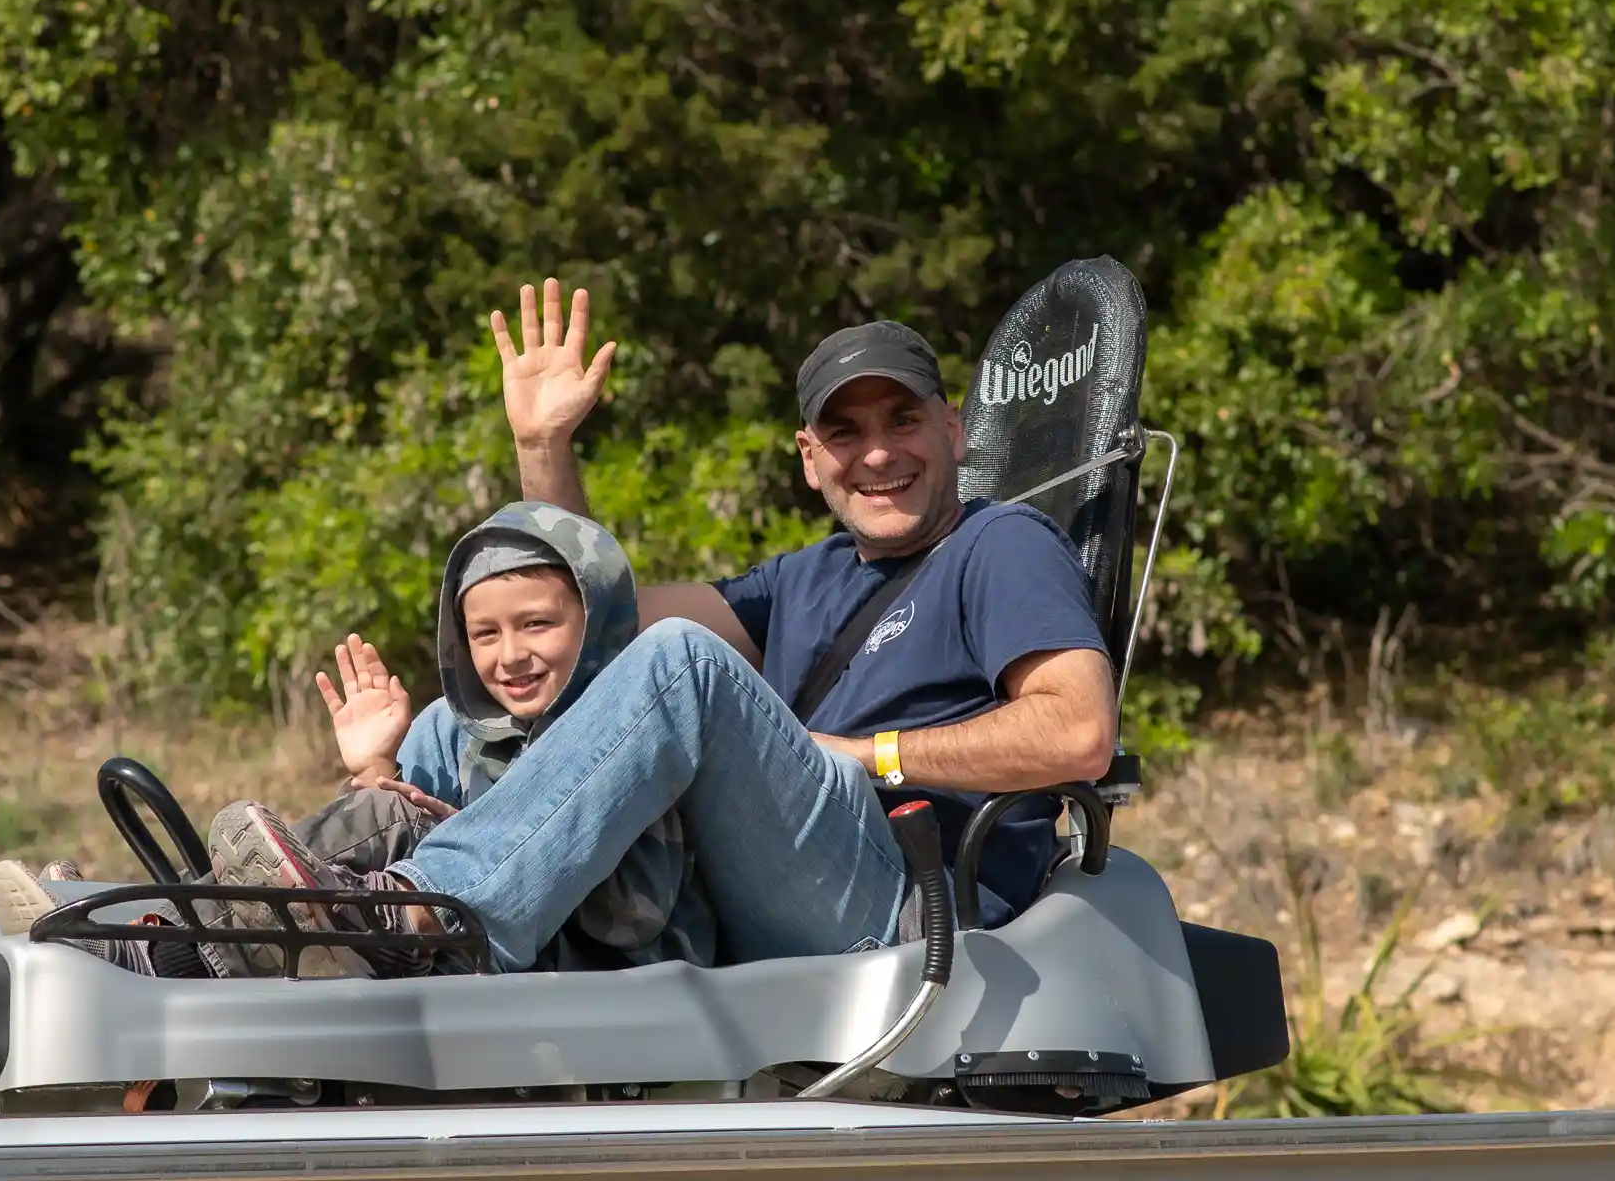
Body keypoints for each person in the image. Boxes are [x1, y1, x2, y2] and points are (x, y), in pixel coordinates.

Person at [203, 280, 1117, 969]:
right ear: (809, 459)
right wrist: (541, 447)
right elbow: (591, 625)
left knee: (682, 662)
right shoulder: (808, 576)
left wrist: (869, 755)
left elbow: (1078, 731)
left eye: (902, 420)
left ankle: (422, 914)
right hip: (782, 874)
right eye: (845, 432)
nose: (877, 452)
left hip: (909, 898)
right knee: (467, 710)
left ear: (953, 431)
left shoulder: (1002, 545)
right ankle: (212, 924)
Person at [0, 498, 710, 976]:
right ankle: (25, 952)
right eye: (484, 635)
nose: (511, 656)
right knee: (370, 817)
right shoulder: (454, 731)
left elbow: (634, 917)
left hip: (567, 970)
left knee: (384, 824)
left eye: (539, 625)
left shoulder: (625, 739)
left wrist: (430, 821)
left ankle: (123, 934)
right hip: (424, 951)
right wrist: (378, 764)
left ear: (593, 622)